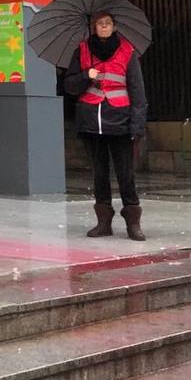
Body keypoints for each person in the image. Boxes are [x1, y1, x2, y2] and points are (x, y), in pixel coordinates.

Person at [63, 12, 148, 240]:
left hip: (121, 121)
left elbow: (138, 92)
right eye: (99, 23)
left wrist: (137, 126)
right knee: (99, 174)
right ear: (94, 27)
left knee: (125, 174)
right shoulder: (82, 50)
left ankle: (133, 222)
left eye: (107, 23)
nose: (103, 27)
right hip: (91, 121)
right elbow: (69, 86)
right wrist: (85, 75)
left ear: (114, 27)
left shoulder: (127, 52)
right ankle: (103, 222)